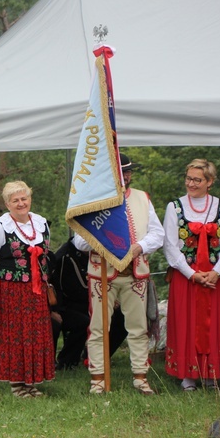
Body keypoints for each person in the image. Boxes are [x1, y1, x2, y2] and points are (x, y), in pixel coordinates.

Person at [74, 154, 164, 395]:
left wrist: (138, 247)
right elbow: (78, 242)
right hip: (102, 273)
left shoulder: (142, 198)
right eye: (120, 173)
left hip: (135, 272)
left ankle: (140, 376)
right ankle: (98, 378)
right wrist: (101, 243)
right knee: (98, 328)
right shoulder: (94, 201)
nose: (125, 177)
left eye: (127, 172)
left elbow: (158, 235)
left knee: (138, 327)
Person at [163, 159, 220, 391]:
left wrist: (216, 272)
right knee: (186, 323)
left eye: (197, 179)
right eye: (189, 178)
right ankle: (187, 375)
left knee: (215, 324)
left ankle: (212, 374)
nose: (191, 184)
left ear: (209, 182)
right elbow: (170, 246)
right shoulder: (174, 207)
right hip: (187, 278)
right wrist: (191, 274)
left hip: (217, 279)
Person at [0, 181, 55, 398]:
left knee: (34, 334)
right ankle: (17, 384)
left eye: (24, 199)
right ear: (7, 203)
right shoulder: (0, 227)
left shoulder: (41, 223)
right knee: (15, 335)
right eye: (15, 200)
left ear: (30, 199)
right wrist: (11, 276)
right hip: (11, 290)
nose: (21, 203)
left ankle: (31, 381)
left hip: (37, 290)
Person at [49, 239, 127, 370]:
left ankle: (97, 355)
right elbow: (69, 290)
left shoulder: (91, 255)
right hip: (68, 306)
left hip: (89, 301)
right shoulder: (64, 257)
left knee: (121, 315)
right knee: (83, 321)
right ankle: (67, 361)